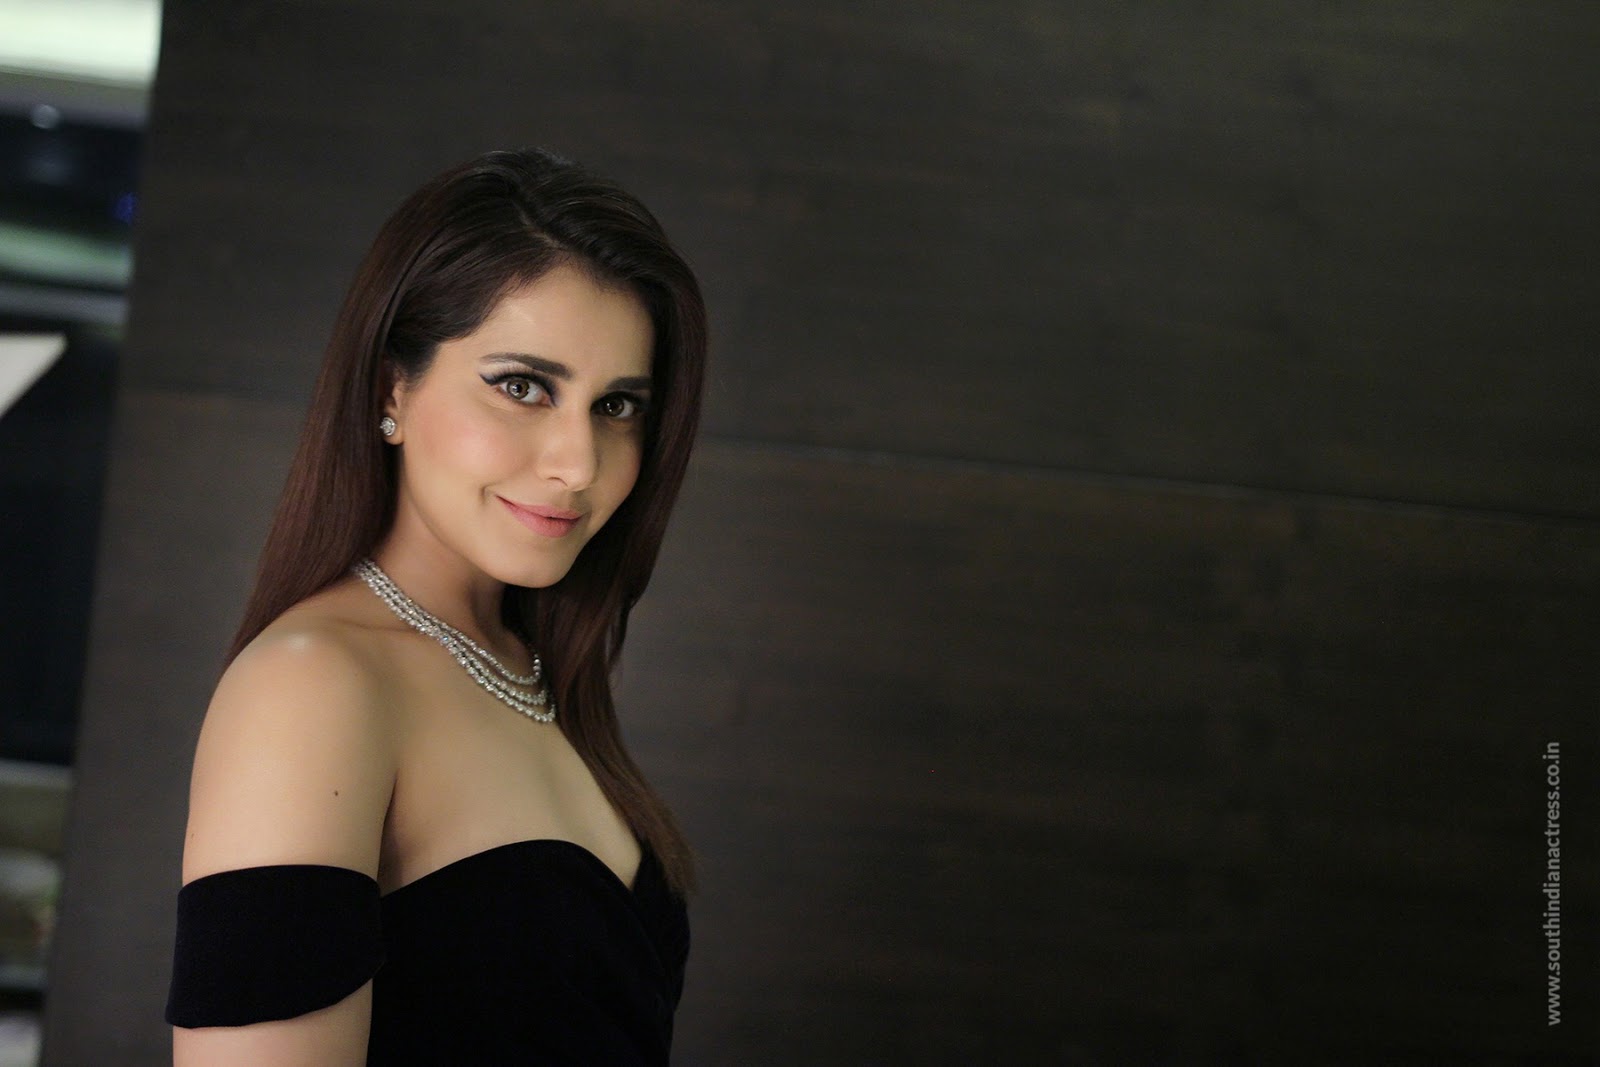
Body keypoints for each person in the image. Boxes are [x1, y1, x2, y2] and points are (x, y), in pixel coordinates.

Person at [164, 147, 706, 1065]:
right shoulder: (315, 684)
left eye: (617, 406)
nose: (578, 462)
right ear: (392, 387)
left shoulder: (528, 666)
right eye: (522, 386)